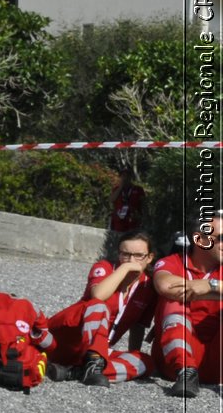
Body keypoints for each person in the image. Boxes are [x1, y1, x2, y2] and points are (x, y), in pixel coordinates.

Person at [43, 232, 157, 385]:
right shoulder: (104, 267)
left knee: (145, 362)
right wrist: (125, 268)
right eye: (125, 254)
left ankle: (77, 371)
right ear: (118, 254)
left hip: (93, 351)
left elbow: (138, 326)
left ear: (149, 258)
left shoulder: (147, 287)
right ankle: (92, 364)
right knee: (98, 305)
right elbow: (98, 295)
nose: (131, 260)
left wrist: (132, 353)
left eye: (138, 255)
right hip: (63, 338)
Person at [151, 211, 223, 398]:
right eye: (221, 238)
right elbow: (166, 285)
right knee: (173, 299)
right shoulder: (172, 262)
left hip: (216, 361)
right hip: (175, 363)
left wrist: (210, 285)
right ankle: (186, 371)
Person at [108, 166, 145, 237]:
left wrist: (142, 217)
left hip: (133, 221)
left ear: (131, 177)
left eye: (127, 175)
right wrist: (120, 187)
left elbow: (143, 204)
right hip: (118, 220)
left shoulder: (138, 189)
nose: (125, 177)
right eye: (123, 175)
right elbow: (111, 200)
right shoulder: (116, 189)